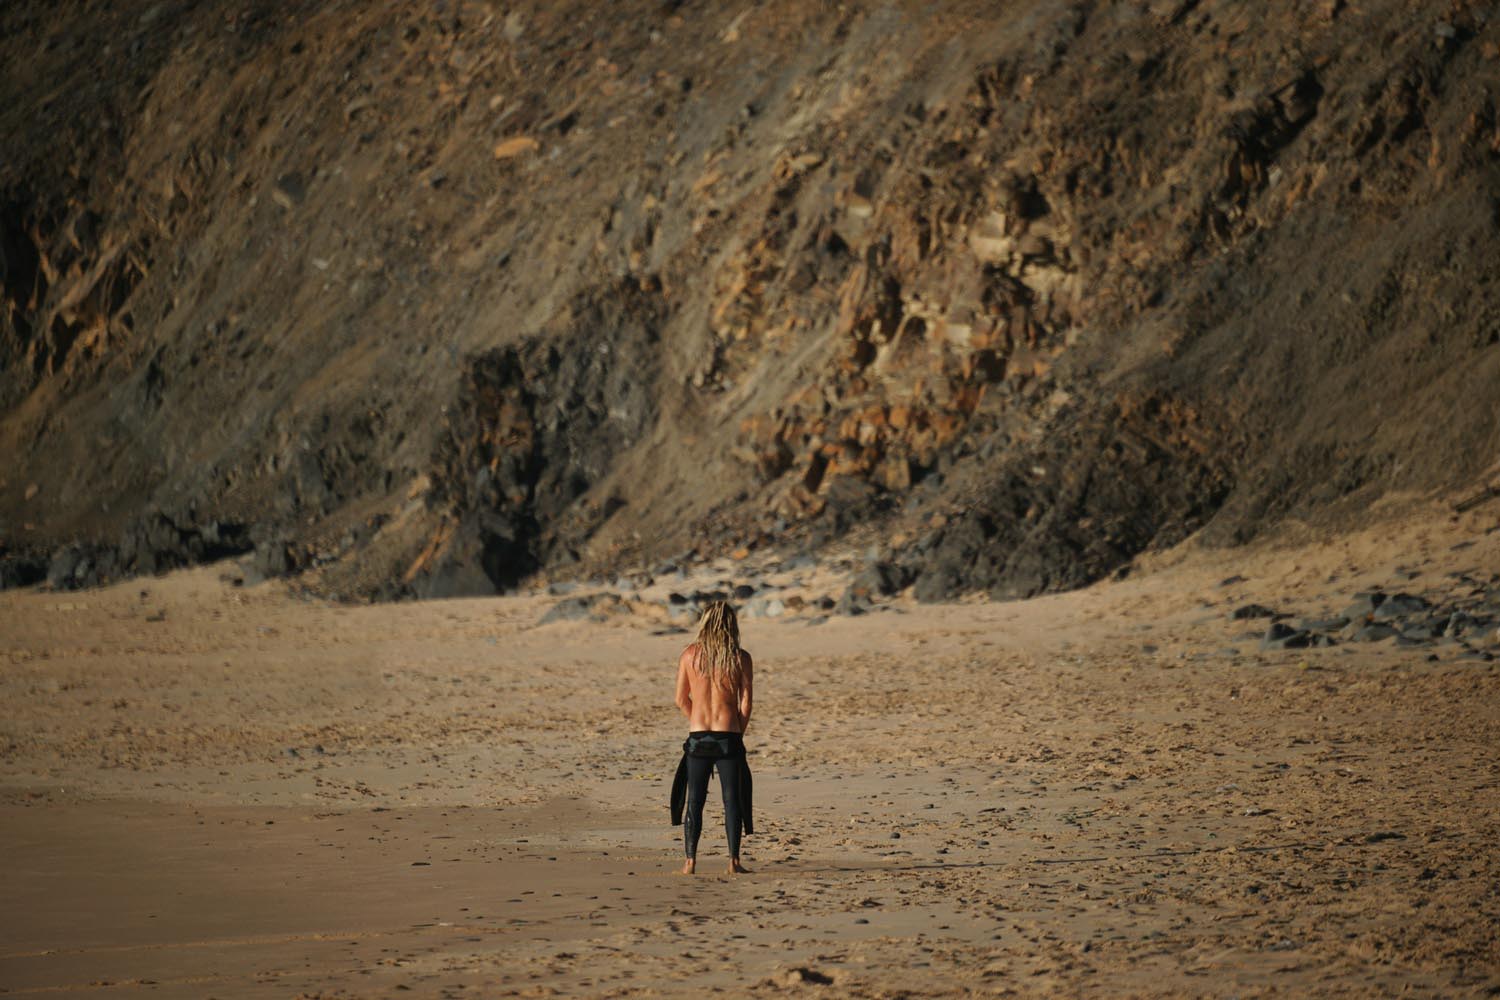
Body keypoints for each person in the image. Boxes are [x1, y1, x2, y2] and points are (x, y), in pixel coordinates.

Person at [669, 601, 754, 875]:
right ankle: (733, 861)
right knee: (732, 799)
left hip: (698, 736)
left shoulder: (689, 655)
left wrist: (697, 721)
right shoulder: (740, 657)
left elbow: (680, 699)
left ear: (704, 623)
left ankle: (690, 862)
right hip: (729, 735)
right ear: (732, 624)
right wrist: (737, 732)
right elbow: (745, 703)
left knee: (695, 800)